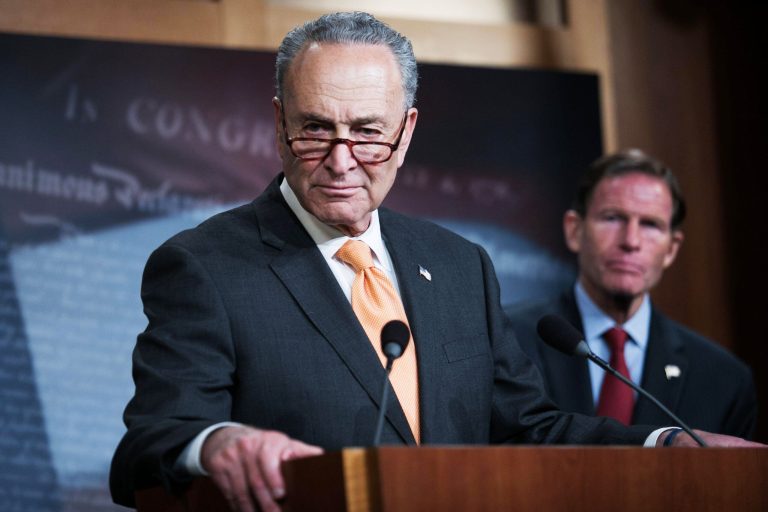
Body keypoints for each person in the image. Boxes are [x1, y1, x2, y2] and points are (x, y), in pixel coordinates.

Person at [109, 13, 761, 512]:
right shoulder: (203, 266)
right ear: (278, 123)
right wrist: (217, 444)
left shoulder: (456, 266)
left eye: (366, 132)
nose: (341, 162)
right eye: (315, 130)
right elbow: (147, 444)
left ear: (408, 129)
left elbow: (523, 428)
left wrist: (663, 445)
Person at [505, 149, 757, 437]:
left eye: (650, 224)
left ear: (671, 249)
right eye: (613, 218)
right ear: (574, 231)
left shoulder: (723, 379)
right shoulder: (508, 341)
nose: (631, 241)